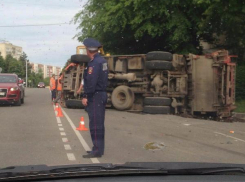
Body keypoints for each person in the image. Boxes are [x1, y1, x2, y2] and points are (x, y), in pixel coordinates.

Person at [82, 38, 108, 158]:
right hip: (100, 94)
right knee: (99, 124)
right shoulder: (101, 61)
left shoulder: (94, 63)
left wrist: (86, 95)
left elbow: (91, 82)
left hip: (95, 96)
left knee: (95, 124)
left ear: (89, 50)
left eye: (86, 49)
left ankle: (97, 150)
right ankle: (98, 149)